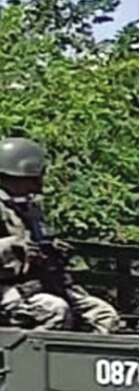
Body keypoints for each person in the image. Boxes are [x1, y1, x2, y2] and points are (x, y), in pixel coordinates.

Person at [0, 137, 119, 333]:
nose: (37, 183)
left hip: (41, 283)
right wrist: (18, 249)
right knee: (54, 310)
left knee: (103, 315)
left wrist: (52, 249)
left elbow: (39, 242)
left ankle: (80, 362)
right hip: (7, 289)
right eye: (32, 177)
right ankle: (30, 362)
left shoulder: (30, 208)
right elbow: (16, 247)